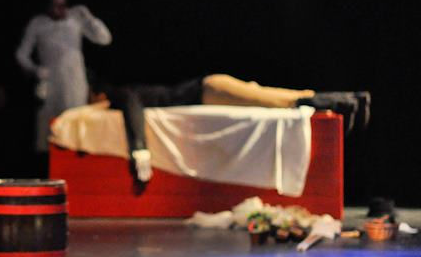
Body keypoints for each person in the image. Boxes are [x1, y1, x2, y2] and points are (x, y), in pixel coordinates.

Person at [89, 73, 370, 182]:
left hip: (208, 89)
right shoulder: (125, 93)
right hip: (210, 89)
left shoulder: (120, 93)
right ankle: (351, 100)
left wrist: (139, 149)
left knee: (278, 100)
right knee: (276, 97)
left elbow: (132, 106)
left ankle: (345, 101)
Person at [16, 0, 112, 152]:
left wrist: (89, 18)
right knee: (49, 128)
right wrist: (35, 70)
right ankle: (46, 160)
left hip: (75, 82)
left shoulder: (75, 20)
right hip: (50, 83)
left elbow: (105, 38)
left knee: (74, 123)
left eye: (61, 6)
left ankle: (74, 159)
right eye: (54, 5)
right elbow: (21, 54)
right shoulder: (38, 23)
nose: (58, 10)